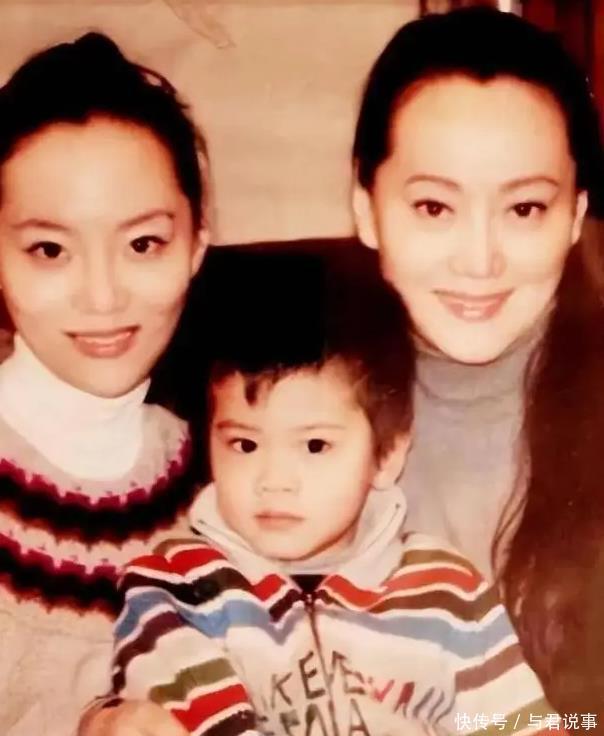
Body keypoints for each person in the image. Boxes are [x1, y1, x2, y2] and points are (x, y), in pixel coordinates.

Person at [111, 255, 553, 735]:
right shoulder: (176, 588)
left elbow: (516, 724)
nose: (274, 480)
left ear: (387, 455)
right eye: (244, 444)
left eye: (315, 446)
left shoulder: (448, 594)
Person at [351, 5, 604, 718]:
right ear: (366, 207)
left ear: (575, 215)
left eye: (524, 209)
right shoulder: (285, 404)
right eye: (435, 207)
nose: (480, 260)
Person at [0, 32, 208, 736]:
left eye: (143, 243)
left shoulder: (233, 471)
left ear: (197, 244)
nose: (102, 296)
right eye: (50, 249)